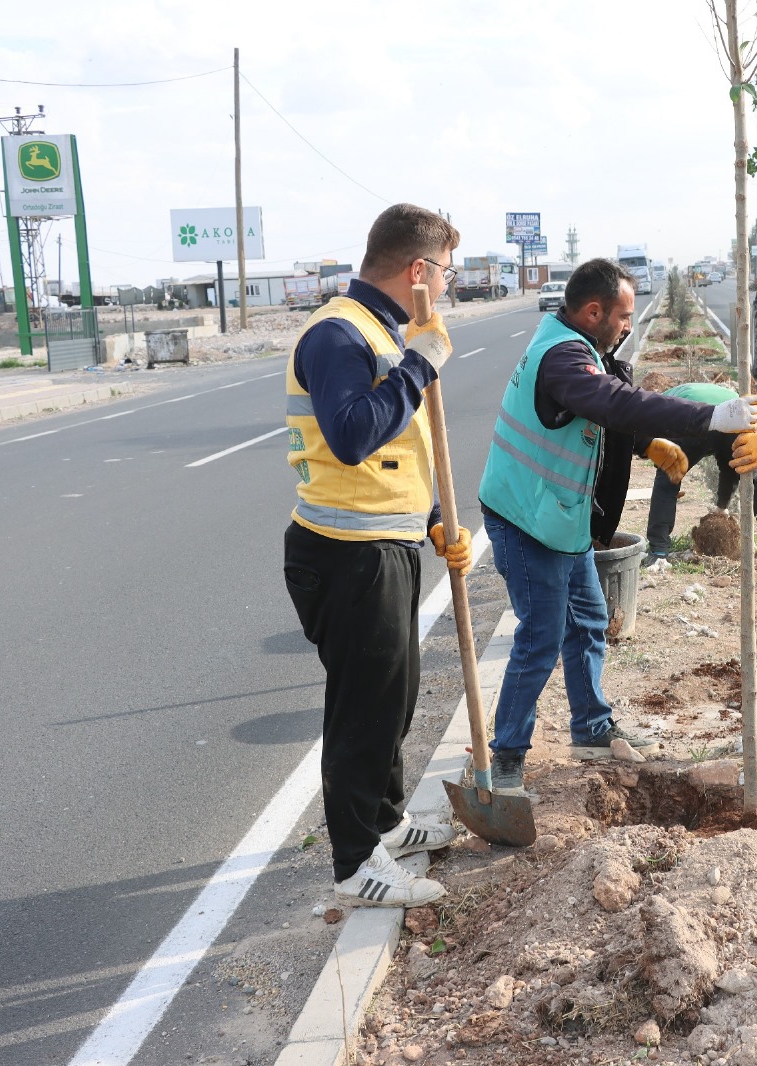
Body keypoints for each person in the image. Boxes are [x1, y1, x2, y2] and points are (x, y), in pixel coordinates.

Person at [477, 258, 757, 791]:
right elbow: (606, 399)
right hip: (527, 519)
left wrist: (642, 442)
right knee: (540, 636)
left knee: (587, 619)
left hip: (560, 517)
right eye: (624, 316)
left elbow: (598, 412)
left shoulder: (578, 346)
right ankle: (508, 758)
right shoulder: (562, 357)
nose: (628, 325)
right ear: (592, 311)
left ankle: (590, 727)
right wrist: (707, 418)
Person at [283, 204, 475, 908]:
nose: (449, 287)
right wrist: (420, 365)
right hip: (345, 552)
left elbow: (398, 453)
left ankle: (386, 824)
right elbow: (353, 437)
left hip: (382, 542)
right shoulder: (340, 334)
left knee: (392, 698)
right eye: (447, 273)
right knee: (363, 710)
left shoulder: (381, 330)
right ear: (418, 271)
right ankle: (355, 864)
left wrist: (429, 522)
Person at [641, 380, 757, 566]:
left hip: (693, 417)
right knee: (751, 472)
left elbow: (654, 447)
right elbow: (727, 465)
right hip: (736, 415)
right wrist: (722, 507)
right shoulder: (684, 392)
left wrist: (669, 483)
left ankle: (658, 551)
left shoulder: (655, 408)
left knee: (666, 480)